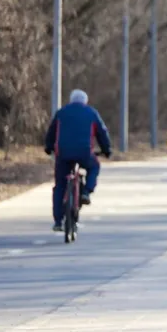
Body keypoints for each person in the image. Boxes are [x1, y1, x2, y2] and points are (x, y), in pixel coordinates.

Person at [44, 89, 112, 232]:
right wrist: (106, 150)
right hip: (84, 153)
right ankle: (86, 192)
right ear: (85, 101)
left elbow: (51, 132)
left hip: (62, 154)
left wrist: (49, 148)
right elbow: (102, 132)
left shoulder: (61, 113)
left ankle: (58, 221)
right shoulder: (91, 113)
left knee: (60, 185)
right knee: (94, 167)